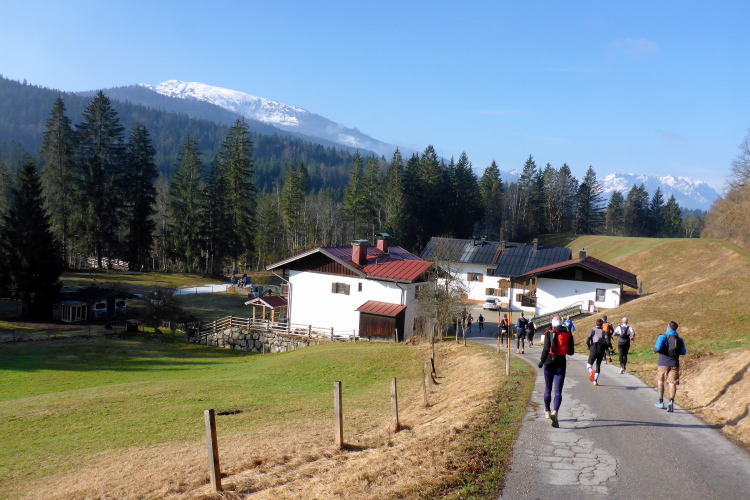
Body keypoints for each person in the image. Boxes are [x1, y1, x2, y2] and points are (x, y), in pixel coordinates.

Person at [538, 315, 575, 428]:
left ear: (553, 322)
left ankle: (547, 411)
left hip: (549, 363)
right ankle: (555, 411)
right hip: (561, 363)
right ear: (561, 322)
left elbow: (546, 348)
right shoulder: (568, 333)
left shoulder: (549, 332)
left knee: (548, 388)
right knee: (558, 391)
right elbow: (571, 352)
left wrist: (541, 361)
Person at [654, 321, 687, 412]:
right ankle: (671, 402)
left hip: (663, 362)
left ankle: (660, 401)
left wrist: (655, 351)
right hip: (674, 363)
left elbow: (657, 348)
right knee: (672, 383)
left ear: (667, 327)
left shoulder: (662, 337)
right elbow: (684, 352)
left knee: (661, 380)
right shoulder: (679, 339)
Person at [586, 319, 610, 386]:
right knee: (598, 364)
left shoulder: (592, 331)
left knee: (589, 365)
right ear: (602, 325)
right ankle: (595, 381)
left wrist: (589, 346)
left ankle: (591, 371)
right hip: (601, 349)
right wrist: (605, 347)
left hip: (593, 348)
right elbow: (608, 342)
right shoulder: (604, 332)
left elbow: (587, 341)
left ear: (596, 324)